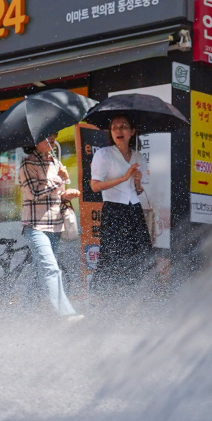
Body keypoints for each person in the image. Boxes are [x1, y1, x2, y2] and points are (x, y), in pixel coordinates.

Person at [19, 134, 84, 321]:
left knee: (43, 270)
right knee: (51, 269)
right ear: (33, 141)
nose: (52, 139)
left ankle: (29, 310)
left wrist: (65, 196)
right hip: (35, 226)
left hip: (55, 226)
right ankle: (67, 314)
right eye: (46, 136)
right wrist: (58, 179)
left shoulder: (55, 162)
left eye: (53, 135)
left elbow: (55, 195)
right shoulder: (27, 164)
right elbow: (32, 193)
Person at [89, 115, 153, 290]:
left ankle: (135, 297)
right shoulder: (104, 154)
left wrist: (137, 182)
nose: (118, 130)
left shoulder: (139, 156)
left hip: (134, 210)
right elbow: (94, 186)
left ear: (132, 132)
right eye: (114, 127)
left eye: (123, 126)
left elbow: (138, 191)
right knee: (113, 255)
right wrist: (123, 178)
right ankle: (106, 297)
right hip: (114, 210)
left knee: (141, 254)